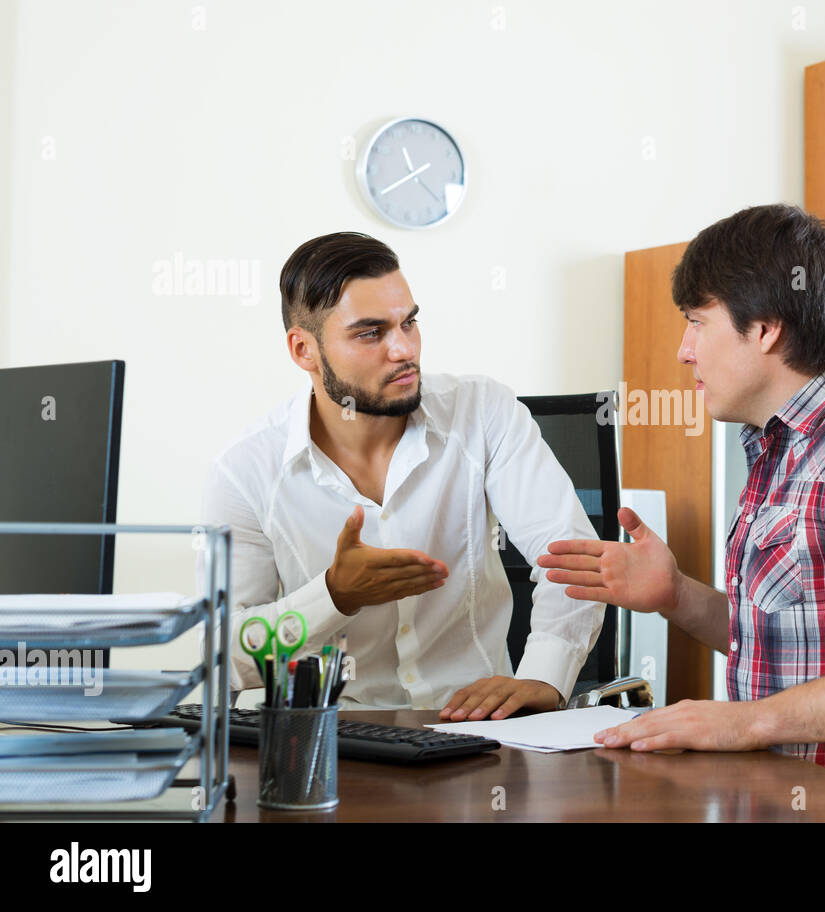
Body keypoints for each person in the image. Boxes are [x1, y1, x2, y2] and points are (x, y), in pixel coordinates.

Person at [539, 204, 825, 822]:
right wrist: (676, 595)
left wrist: (747, 722)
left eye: (697, 322)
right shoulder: (782, 447)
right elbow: (796, 642)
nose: (684, 351)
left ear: (764, 329)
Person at [197, 231, 603, 719]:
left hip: (477, 738)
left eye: (408, 323)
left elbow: (573, 560)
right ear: (304, 350)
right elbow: (224, 655)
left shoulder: (484, 414)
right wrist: (331, 596)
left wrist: (544, 676)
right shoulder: (246, 472)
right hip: (333, 744)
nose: (403, 349)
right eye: (371, 333)